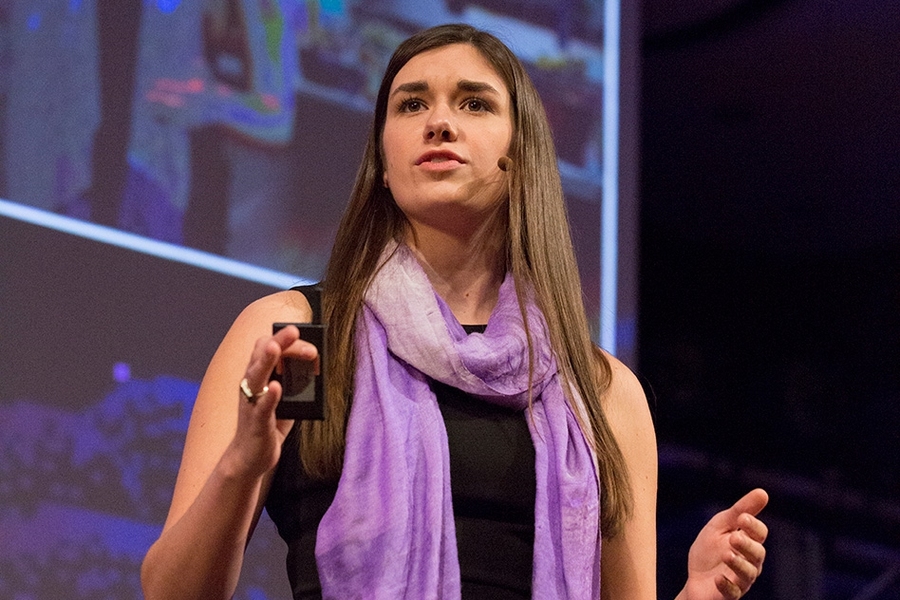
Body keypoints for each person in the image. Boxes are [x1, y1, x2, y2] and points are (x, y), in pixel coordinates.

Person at [141, 23, 768, 600]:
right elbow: (172, 593)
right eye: (411, 105)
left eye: (474, 104)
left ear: (518, 156)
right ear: (383, 165)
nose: (439, 122)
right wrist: (242, 466)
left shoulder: (601, 391)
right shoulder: (303, 338)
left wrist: (696, 595)